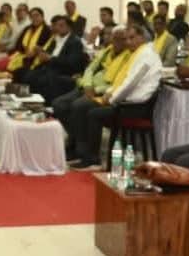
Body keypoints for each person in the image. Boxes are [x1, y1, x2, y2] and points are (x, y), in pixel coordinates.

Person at [65, 25, 162, 168]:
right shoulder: (138, 53)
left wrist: (111, 98)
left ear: (142, 37)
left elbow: (130, 83)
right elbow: (122, 79)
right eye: (127, 38)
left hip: (135, 107)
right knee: (82, 106)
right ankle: (81, 152)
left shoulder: (146, 55)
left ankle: (92, 158)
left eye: (132, 38)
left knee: (92, 113)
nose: (128, 42)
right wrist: (110, 92)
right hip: (123, 101)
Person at [26, 15, 89, 101]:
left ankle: (45, 105)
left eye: (62, 25)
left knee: (45, 79)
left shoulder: (75, 42)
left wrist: (50, 58)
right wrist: (41, 53)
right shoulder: (56, 39)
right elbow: (47, 53)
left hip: (63, 71)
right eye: (57, 25)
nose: (58, 28)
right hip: (50, 67)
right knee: (29, 75)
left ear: (69, 27)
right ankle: (31, 102)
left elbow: (71, 63)